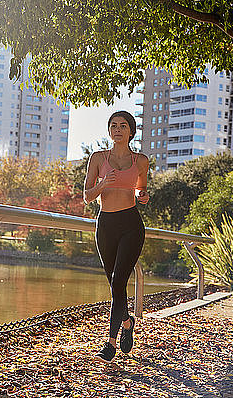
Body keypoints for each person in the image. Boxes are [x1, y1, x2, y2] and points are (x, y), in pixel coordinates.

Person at [83, 110, 149, 363]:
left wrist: (143, 196)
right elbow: (87, 196)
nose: (118, 129)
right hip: (106, 224)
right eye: (113, 125)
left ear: (131, 131)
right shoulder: (98, 158)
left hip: (131, 224)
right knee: (114, 283)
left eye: (123, 126)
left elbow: (141, 190)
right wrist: (103, 184)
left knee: (119, 280)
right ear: (109, 131)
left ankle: (110, 342)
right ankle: (128, 322)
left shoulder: (141, 161)